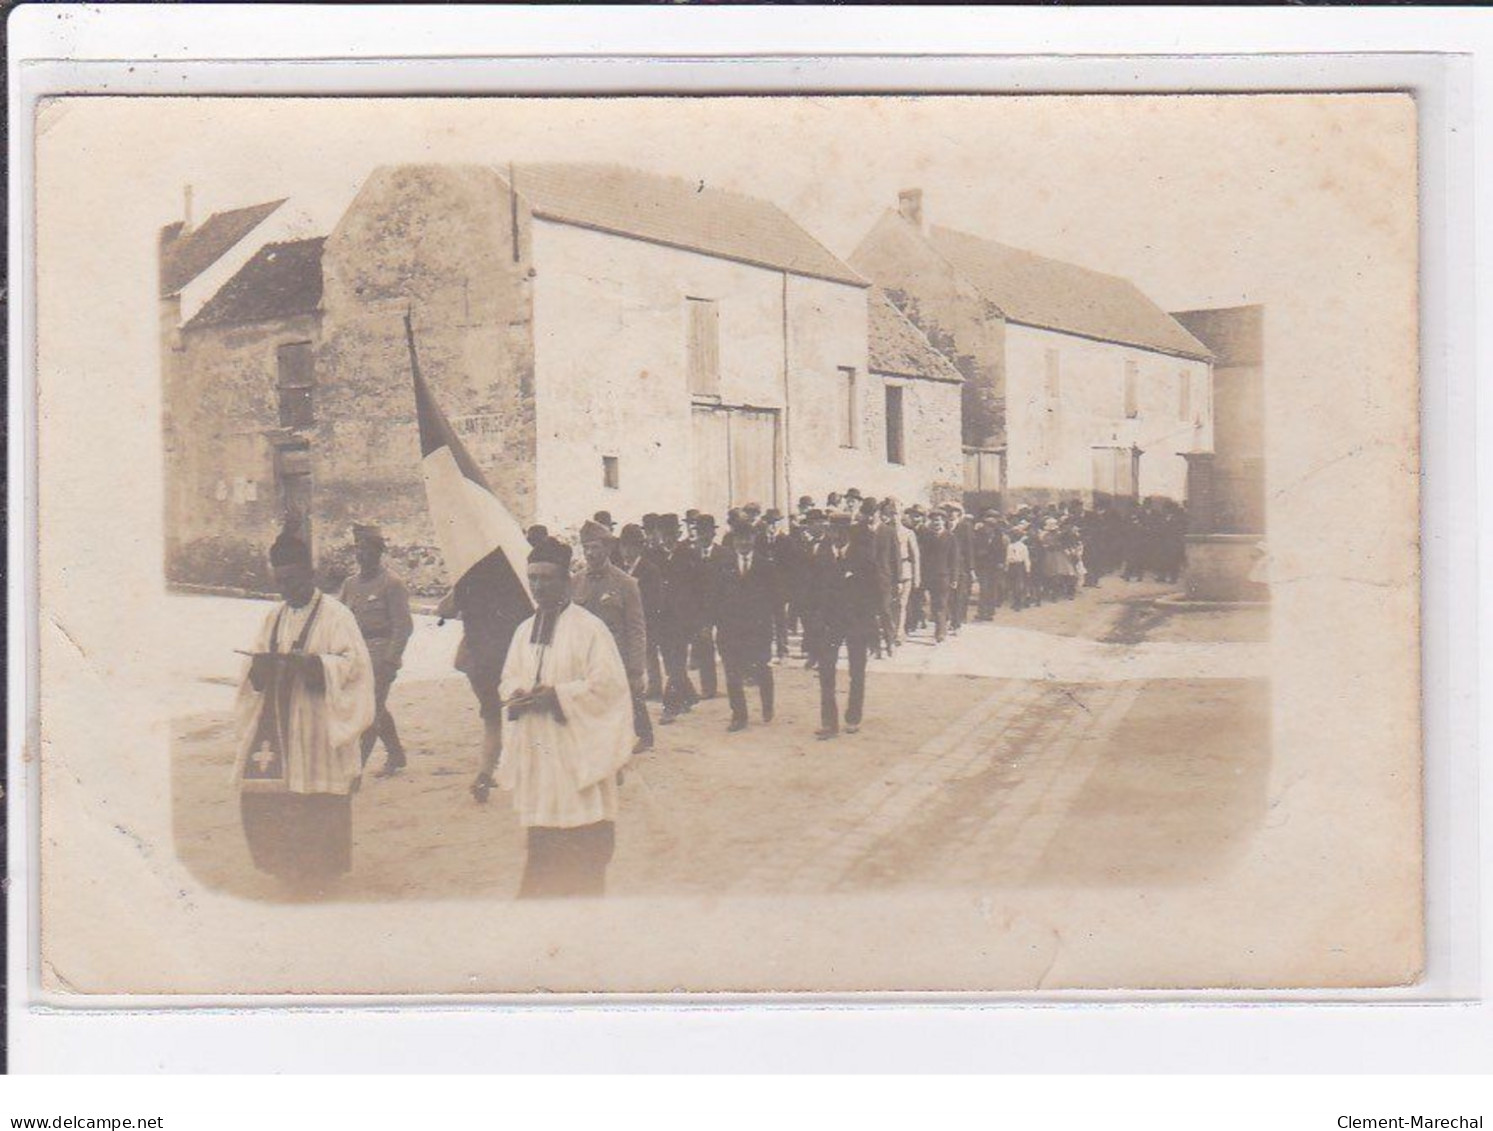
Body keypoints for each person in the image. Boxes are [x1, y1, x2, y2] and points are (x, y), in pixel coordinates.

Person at [233, 528, 375, 890]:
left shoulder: (336, 615)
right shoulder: (274, 617)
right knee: (270, 797)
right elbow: (254, 672)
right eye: (281, 582)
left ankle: (320, 872)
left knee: (317, 798)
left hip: (317, 723)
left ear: (311, 576)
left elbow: (355, 666)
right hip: (278, 724)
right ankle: (284, 867)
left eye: (294, 581)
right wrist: (260, 669)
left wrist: (314, 666)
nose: (287, 590)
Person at [495, 537, 634, 899]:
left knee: (581, 836)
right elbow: (509, 676)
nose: (539, 586)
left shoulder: (590, 629)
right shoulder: (524, 630)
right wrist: (517, 694)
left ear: (567, 581)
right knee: (543, 834)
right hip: (540, 750)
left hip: (577, 752)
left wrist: (557, 696)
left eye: (546, 578)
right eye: (533, 578)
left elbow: (608, 688)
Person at [436, 547, 531, 806]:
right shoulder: (517, 581)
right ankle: (514, 770)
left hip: (480, 662)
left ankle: (484, 774)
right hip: (509, 660)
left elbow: (442, 611)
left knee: (491, 720)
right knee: (517, 716)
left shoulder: (468, 579)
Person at [338, 524, 414, 777]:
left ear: (379, 552)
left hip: (380, 655)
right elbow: (339, 620)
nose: (362, 554)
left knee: (369, 711)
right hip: (355, 655)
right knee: (375, 706)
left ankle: (355, 769)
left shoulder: (392, 584)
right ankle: (396, 753)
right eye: (358, 548)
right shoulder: (350, 584)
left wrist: (392, 661)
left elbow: (403, 626)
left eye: (368, 549)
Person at [572, 520, 653, 754]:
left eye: (595, 547)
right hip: (585, 658)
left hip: (617, 658)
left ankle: (641, 737)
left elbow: (637, 628)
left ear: (607, 549)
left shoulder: (625, 583)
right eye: (586, 547)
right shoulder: (575, 582)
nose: (590, 553)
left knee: (625, 702)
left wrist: (636, 669)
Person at [811, 516, 879, 739]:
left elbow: (872, 594)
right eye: (833, 530)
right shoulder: (821, 554)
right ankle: (829, 722)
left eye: (842, 531)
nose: (837, 535)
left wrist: (872, 629)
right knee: (826, 671)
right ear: (829, 531)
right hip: (829, 623)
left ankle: (853, 717)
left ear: (849, 533)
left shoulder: (863, 556)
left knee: (856, 671)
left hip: (856, 622)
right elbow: (812, 590)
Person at [714, 518, 777, 731]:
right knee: (732, 672)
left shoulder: (766, 565)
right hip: (730, 630)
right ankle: (739, 715)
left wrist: (771, 627)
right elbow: (715, 597)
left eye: (747, 538)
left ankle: (767, 705)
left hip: (758, 630)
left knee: (761, 668)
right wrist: (716, 624)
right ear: (733, 542)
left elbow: (774, 599)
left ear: (754, 539)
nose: (743, 543)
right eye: (739, 539)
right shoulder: (723, 566)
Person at [656, 514, 701, 724]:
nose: (668, 539)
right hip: (662, 619)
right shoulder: (653, 555)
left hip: (683, 619)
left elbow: (698, 588)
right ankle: (689, 695)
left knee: (676, 662)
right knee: (671, 662)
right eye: (664, 535)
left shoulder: (689, 555)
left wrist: (697, 618)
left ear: (678, 534)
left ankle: (670, 707)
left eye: (672, 535)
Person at [620, 522, 666, 704]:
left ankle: (655, 686)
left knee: (649, 652)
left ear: (639, 547)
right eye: (624, 546)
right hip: (627, 617)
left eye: (631, 546)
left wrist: (648, 615)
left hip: (647, 617)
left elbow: (655, 597)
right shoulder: (622, 569)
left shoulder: (649, 569)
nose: (627, 551)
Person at [686, 513, 720, 700]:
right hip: (700, 608)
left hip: (721, 607)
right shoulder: (690, 555)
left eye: (707, 532)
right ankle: (708, 686)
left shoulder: (723, 554)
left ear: (713, 533)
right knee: (704, 642)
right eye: (700, 532)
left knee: (728, 645)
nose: (704, 536)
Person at [867, 498, 900, 658]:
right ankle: (874, 647)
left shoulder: (889, 531)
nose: (870, 517)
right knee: (869, 614)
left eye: (872, 513)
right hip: (864, 580)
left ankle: (890, 642)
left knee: (885, 612)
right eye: (866, 513)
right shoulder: (859, 531)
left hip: (884, 579)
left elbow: (896, 558)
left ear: (879, 513)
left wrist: (898, 581)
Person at [918, 509, 956, 642]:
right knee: (934, 604)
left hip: (944, 576)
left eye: (939, 520)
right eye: (934, 520)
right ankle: (940, 626)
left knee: (941, 603)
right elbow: (922, 557)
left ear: (944, 522)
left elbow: (954, 559)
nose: (936, 523)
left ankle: (940, 632)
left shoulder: (950, 537)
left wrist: (954, 577)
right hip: (929, 575)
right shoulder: (926, 536)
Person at [947, 503, 976, 634]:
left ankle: (956, 622)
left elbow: (970, 549)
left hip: (961, 566)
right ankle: (949, 619)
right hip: (946, 566)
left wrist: (971, 568)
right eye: (949, 511)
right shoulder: (943, 526)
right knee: (948, 595)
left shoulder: (965, 527)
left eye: (954, 511)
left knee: (959, 594)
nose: (951, 513)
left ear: (959, 513)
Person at [973, 512, 1007, 620]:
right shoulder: (979, 535)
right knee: (984, 589)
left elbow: (1002, 550)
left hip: (995, 566)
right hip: (983, 566)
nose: (989, 528)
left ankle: (990, 612)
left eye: (991, 526)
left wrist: (1001, 562)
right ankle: (982, 612)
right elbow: (975, 549)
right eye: (987, 525)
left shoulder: (998, 535)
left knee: (992, 589)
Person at [1006, 527, 1032, 610]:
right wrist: (1006, 567)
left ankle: (1019, 602)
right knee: (1013, 584)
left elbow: (1026, 558)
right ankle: (1016, 601)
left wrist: (1027, 569)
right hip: (1012, 565)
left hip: (1019, 566)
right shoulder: (1009, 546)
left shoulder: (1023, 546)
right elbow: (1007, 558)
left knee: (1019, 584)